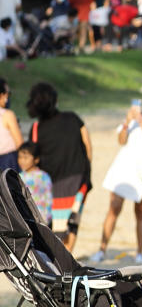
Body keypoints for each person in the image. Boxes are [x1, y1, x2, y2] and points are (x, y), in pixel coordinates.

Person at [90, 87, 142, 263]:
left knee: (140, 211)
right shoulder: (135, 118)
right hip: (124, 167)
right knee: (114, 208)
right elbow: (121, 140)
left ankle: (139, 252)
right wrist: (127, 122)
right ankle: (102, 249)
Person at [25, 82, 91, 251]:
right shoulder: (73, 118)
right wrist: (87, 172)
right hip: (77, 179)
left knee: (54, 228)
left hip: (50, 186)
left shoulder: (36, 128)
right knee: (72, 223)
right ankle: (68, 257)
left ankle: (62, 263)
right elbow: (88, 146)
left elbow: (32, 157)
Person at [17, 141, 52, 225]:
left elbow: (48, 198)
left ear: (36, 159)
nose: (22, 161)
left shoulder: (43, 176)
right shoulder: (18, 177)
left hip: (41, 219)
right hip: (24, 219)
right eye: (19, 157)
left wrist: (46, 218)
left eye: (25, 158)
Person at [0, 78, 24, 172]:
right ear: (2, 95)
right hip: (8, 161)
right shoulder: (7, 114)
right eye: (8, 93)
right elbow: (19, 143)